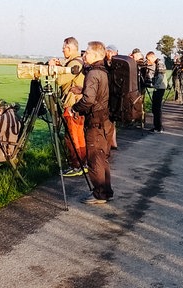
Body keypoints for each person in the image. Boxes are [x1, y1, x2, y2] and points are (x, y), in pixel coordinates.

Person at [68, 41, 114, 204]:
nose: (84, 55)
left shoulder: (94, 73)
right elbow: (101, 92)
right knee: (102, 157)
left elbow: (88, 100)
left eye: (87, 52)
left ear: (95, 55)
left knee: (94, 158)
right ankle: (106, 191)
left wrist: (74, 108)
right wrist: (83, 89)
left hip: (95, 121)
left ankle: (100, 194)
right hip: (105, 120)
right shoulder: (104, 70)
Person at [49, 37, 87, 177]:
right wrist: (62, 65)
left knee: (71, 136)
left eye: (64, 47)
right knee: (79, 135)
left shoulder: (74, 63)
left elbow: (59, 80)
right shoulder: (79, 61)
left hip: (71, 105)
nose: (62, 50)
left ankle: (76, 165)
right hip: (79, 104)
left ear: (70, 48)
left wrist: (53, 66)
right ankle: (83, 163)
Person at [145, 51, 167, 133]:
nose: (148, 61)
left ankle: (158, 127)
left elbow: (160, 76)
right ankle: (157, 126)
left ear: (152, 57)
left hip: (160, 87)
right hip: (159, 87)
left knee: (157, 108)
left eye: (148, 59)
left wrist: (155, 85)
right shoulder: (158, 63)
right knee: (155, 108)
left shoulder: (160, 63)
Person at [105, 44, 119, 150]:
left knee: (112, 118)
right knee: (109, 119)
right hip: (108, 93)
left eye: (110, 51)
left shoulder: (118, 64)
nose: (108, 53)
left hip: (114, 93)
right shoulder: (104, 62)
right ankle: (112, 141)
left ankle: (112, 141)